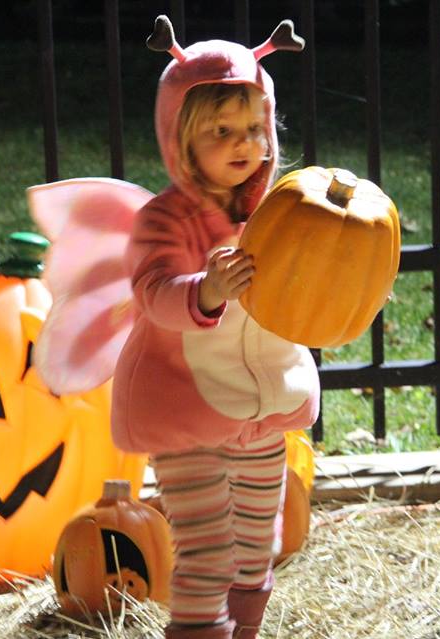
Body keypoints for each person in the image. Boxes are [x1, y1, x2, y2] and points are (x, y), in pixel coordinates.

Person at [112, 15, 318, 639]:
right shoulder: (164, 220)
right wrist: (204, 291)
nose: (243, 143)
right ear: (180, 139)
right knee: (207, 553)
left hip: (264, 407)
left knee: (258, 548)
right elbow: (151, 293)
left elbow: (315, 282)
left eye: (254, 128)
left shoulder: (283, 211)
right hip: (185, 410)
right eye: (221, 130)